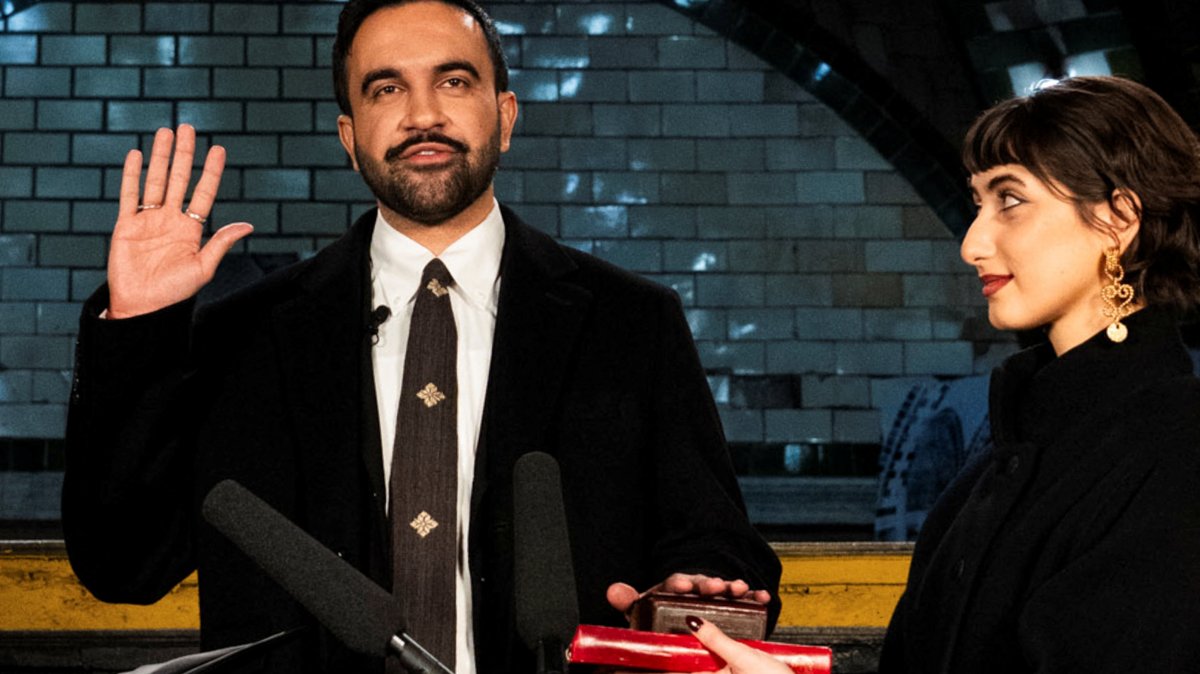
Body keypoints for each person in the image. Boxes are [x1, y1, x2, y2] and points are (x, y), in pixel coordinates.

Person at [60, 1, 781, 672]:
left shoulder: (631, 322)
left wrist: (698, 591)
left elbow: (714, 541)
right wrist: (136, 328)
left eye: (454, 81)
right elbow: (124, 563)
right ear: (350, 138)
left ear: (504, 117)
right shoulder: (246, 334)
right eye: (384, 89)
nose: (423, 114)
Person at [687, 75, 1200, 673]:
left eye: (1010, 200)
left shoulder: (1178, 451)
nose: (972, 243)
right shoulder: (993, 465)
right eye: (977, 203)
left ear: (1118, 218)